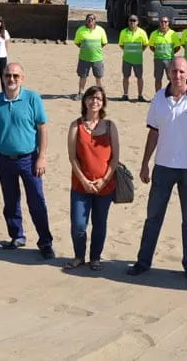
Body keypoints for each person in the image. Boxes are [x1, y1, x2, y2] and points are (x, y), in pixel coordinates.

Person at [128, 57, 187, 281]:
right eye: (174, 71)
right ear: (168, 73)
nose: (178, 75)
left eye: (182, 72)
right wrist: (145, 162)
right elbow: (153, 132)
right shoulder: (158, 98)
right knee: (153, 216)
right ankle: (143, 261)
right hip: (163, 166)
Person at [0, 62, 54, 258]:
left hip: (29, 159)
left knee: (37, 201)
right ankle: (17, 236)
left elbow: (42, 128)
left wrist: (41, 157)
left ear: (22, 78)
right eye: (8, 76)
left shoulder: (32, 98)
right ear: (3, 78)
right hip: (4, 159)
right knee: (10, 201)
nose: (11, 79)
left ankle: (45, 242)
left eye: (15, 76)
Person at [64, 86, 119, 271]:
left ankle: (95, 258)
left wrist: (103, 180)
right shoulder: (76, 125)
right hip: (81, 185)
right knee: (79, 224)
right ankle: (79, 256)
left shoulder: (110, 126)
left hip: (105, 185)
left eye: (98, 99)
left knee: (99, 223)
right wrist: (85, 181)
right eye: (91, 98)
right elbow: (72, 157)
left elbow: (115, 159)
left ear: (103, 103)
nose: (94, 101)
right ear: (85, 100)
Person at [73, 13, 108, 100]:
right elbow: (77, 42)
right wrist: (86, 49)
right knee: (83, 76)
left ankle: (99, 94)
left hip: (97, 58)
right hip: (84, 58)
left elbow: (104, 42)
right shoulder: (80, 30)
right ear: (86, 20)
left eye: (92, 19)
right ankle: (81, 93)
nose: (90, 20)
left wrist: (95, 49)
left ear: (95, 21)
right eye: (88, 19)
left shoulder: (100, 30)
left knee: (98, 77)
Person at [118, 14, 149, 102]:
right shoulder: (123, 32)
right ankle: (125, 94)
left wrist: (139, 52)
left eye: (134, 20)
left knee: (139, 77)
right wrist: (128, 51)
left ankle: (140, 95)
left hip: (138, 60)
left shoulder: (142, 32)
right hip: (126, 59)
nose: (132, 22)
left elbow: (145, 44)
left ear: (138, 22)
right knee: (126, 77)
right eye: (130, 20)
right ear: (128, 22)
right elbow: (121, 44)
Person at [147, 17, 178, 92]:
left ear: (168, 23)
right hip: (158, 60)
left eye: (165, 22)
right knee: (158, 79)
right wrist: (158, 52)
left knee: (171, 78)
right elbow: (151, 46)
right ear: (159, 23)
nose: (163, 23)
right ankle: (158, 95)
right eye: (162, 21)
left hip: (169, 60)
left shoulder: (173, 34)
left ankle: (172, 94)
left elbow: (178, 46)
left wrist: (170, 53)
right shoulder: (154, 34)